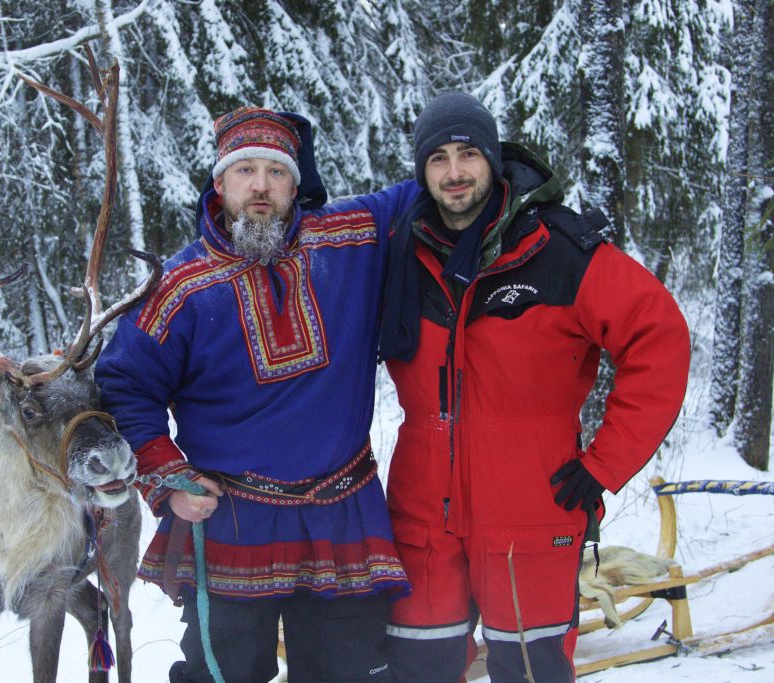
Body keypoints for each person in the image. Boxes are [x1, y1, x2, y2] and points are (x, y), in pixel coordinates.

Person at [95, 107, 420, 683]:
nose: (261, 185)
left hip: (340, 509)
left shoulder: (350, 238)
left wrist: (506, 172)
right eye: (244, 170)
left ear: (298, 184)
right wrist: (168, 479)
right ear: (219, 184)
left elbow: (442, 186)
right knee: (222, 675)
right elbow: (126, 385)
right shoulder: (180, 285)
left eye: (276, 171)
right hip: (231, 517)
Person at [378, 93, 691, 682]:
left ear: (493, 160)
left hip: (531, 507)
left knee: (531, 671)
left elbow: (660, 337)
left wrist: (605, 463)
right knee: (416, 668)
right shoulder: (400, 252)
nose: (454, 173)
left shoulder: (557, 252)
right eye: (438, 158)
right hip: (421, 512)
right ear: (421, 169)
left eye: (468, 154)